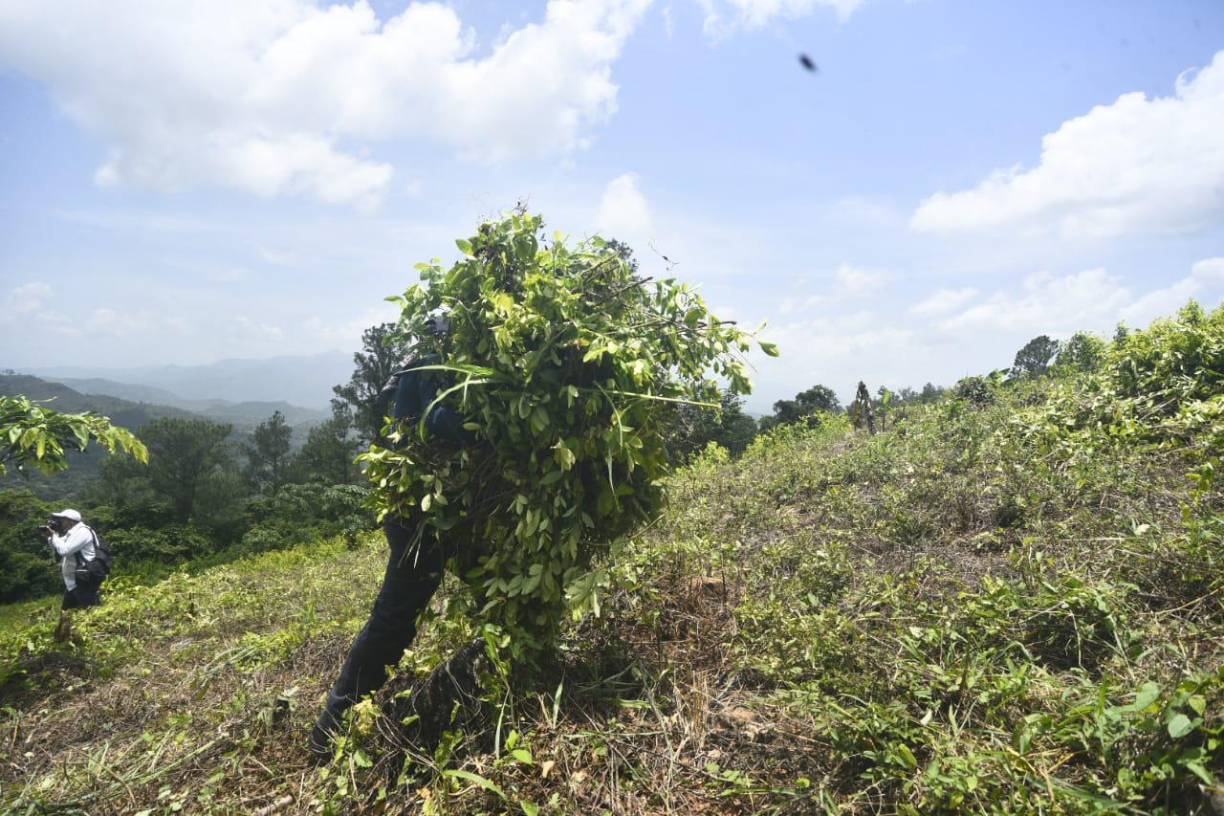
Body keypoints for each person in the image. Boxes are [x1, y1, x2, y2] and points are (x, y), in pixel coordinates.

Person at [309, 313, 472, 759]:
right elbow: (436, 422)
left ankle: (501, 669)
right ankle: (332, 728)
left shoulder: (424, 365)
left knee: (492, 583)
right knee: (395, 615)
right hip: (419, 517)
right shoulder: (427, 369)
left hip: (439, 511)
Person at [41, 508, 103, 609]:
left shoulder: (83, 532)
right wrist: (51, 537)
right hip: (74, 582)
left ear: (70, 521)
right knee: (67, 614)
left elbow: (64, 551)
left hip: (84, 581)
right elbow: (58, 546)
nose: (59, 522)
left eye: (62, 519)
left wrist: (53, 535)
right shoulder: (72, 533)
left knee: (90, 611)